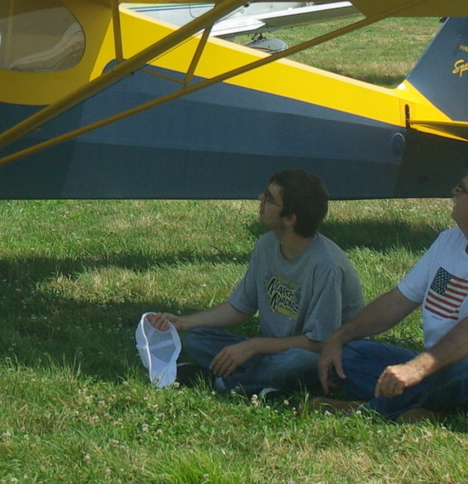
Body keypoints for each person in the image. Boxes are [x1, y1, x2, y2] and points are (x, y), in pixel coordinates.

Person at [314, 162, 468, 422]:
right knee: (352, 354)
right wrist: (340, 337)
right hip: (438, 364)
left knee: (458, 373)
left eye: (461, 189)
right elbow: (398, 301)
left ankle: (366, 410)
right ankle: (426, 406)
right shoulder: (448, 241)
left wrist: (415, 369)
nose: (453, 192)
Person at [144, 169, 362, 397]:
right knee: (197, 339)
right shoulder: (267, 245)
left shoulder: (326, 265)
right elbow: (240, 307)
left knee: (298, 362)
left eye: (269, 199)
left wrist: (254, 346)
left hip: (317, 355)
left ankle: (225, 382)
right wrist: (183, 323)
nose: (260, 199)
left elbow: (320, 344)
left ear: (290, 218)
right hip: (273, 349)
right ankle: (260, 385)